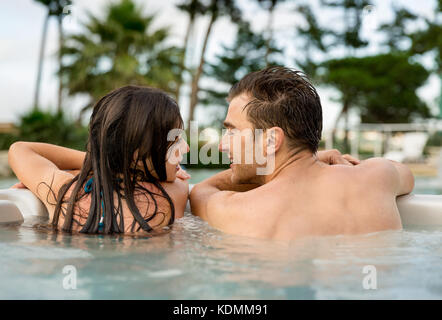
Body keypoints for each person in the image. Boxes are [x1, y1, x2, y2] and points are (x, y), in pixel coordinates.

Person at [190, 67, 414, 241]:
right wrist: (315, 160)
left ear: (271, 140)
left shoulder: (240, 211)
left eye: (232, 131)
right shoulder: (378, 176)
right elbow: (407, 176)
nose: (222, 146)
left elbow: (200, 192)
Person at [8, 85, 190, 234]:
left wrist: (101, 162)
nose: (185, 148)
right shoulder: (172, 194)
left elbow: (20, 149)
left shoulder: (65, 192)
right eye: (175, 140)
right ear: (137, 152)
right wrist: (107, 164)